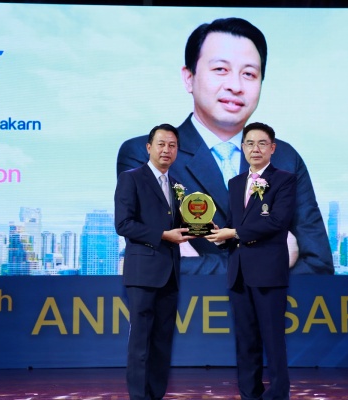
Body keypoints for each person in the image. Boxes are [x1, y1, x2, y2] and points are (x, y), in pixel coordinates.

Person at [117, 17, 333, 275]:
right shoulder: (145, 153)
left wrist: (197, 264)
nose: (235, 86)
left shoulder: (284, 158)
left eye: (249, 74)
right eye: (221, 69)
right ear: (189, 78)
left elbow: (318, 265)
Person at [206, 122, 295, 400]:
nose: (255, 148)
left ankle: (278, 394)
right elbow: (234, 223)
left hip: (268, 272)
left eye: (262, 143)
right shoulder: (235, 183)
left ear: (272, 148)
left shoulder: (284, 180)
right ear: (242, 148)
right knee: (245, 340)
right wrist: (221, 236)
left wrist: (234, 232)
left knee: (273, 340)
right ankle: (249, 394)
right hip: (239, 272)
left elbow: (278, 222)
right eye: (249, 143)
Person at [114, 123, 194, 400]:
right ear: (149, 147)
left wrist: (206, 229)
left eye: (172, 145)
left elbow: (182, 225)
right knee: (140, 342)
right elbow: (123, 224)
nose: (166, 150)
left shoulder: (177, 185)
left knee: (162, 342)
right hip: (143, 274)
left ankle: (156, 395)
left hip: (170, 274)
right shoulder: (131, 178)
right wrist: (162, 235)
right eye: (161, 144)